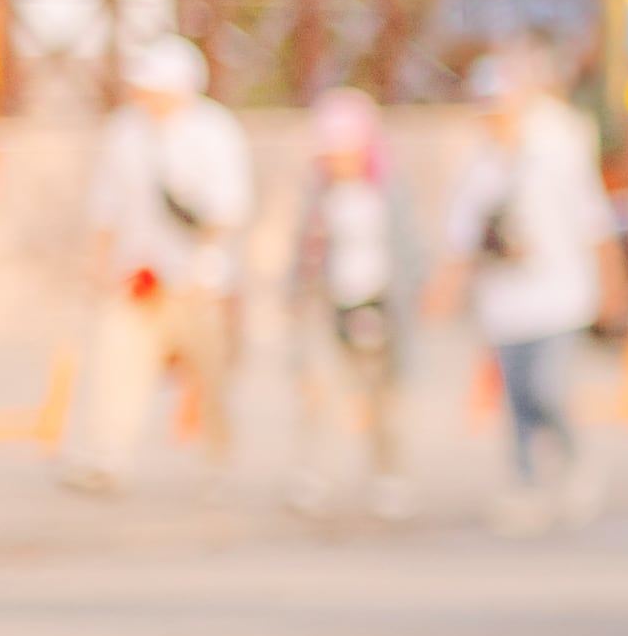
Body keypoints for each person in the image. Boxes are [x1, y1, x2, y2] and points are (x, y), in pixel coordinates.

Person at [62, 37, 251, 495]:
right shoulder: (126, 132)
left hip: (197, 280)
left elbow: (229, 209)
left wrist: (202, 256)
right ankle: (106, 457)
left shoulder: (214, 131)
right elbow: (106, 203)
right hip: (138, 275)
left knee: (210, 374)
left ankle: (216, 460)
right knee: (116, 359)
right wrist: (100, 262)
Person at [440, 49, 615, 531]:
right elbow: (459, 237)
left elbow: (593, 221)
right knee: (516, 398)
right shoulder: (478, 164)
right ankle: (526, 482)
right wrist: (444, 291)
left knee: (547, 388)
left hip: (558, 295)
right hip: (504, 301)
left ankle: (575, 460)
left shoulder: (556, 149)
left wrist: (611, 286)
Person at [286, 87, 414, 519]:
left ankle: (388, 477)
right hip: (329, 304)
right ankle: (313, 475)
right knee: (319, 391)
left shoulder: (387, 191)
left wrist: (404, 305)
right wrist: (294, 293)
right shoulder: (318, 193)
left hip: (377, 305)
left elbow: (409, 252)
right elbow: (301, 249)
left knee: (382, 399)